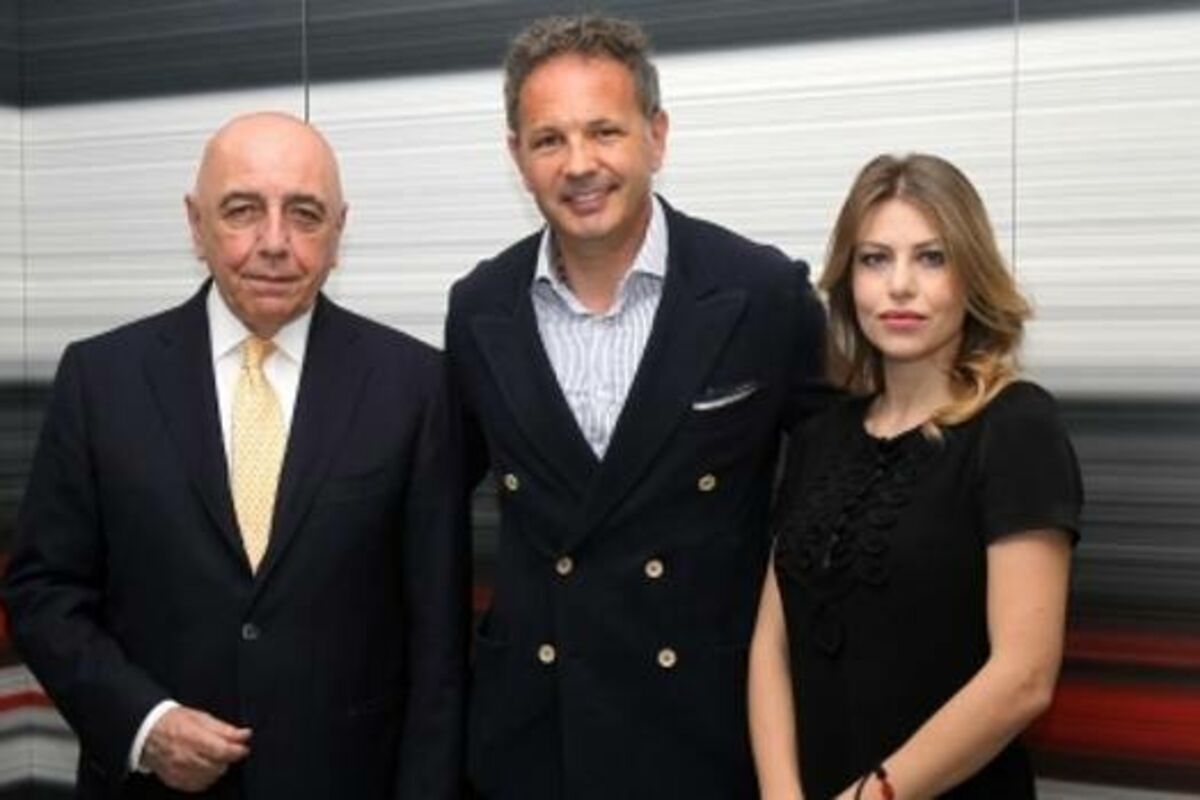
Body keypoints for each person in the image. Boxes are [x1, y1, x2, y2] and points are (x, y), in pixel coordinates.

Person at [3, 112, 467, 799]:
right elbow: (44, 593)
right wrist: (144, 724)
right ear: (196, 225)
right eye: (243, 210)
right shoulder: (100, 380)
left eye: (304, 214)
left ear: (339, 232)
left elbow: (439, 642)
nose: (274, 242)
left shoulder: (417, 387)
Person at [444, 14, 828, 800]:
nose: (579, 164)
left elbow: (836, 494)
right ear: (517, 158)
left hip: (705, 732)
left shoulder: (762, 294)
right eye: (549, 140)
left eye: (605, 132)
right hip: (534, 737)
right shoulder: (479, 307)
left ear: (656, 136)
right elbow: (428, 504)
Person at [748, 153, 1083, 799]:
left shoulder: (1016, 426)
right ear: (848, 279)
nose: (900, 286)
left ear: (971, 276)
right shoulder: (820, 437)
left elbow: (1024, 677)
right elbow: (772, 645)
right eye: (875, 259)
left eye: (931, 258)